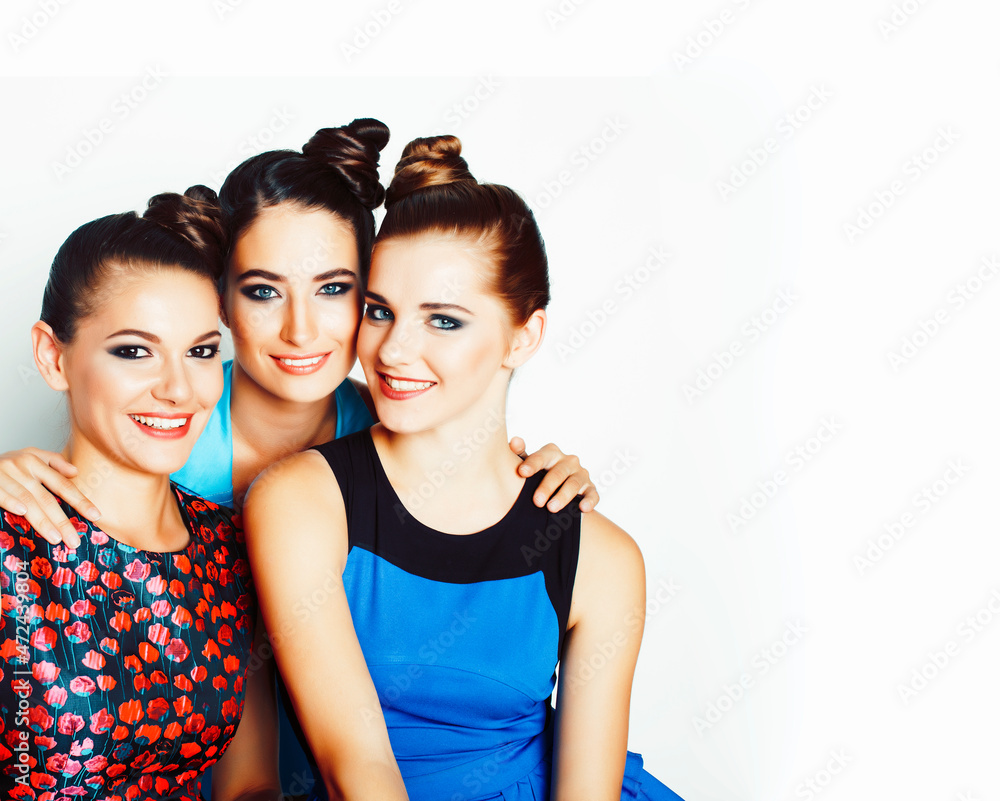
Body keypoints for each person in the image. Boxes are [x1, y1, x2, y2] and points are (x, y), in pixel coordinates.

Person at [0, 119, 600, 797]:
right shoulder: (163, 426)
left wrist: (542, 489)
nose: (301, 329)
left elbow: (481, 513)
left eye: (334, 289)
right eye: (263, 290)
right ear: (220, 300)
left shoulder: (398, 422)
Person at [244, 136, 684, 800]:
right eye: (379, 311)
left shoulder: (604, 558)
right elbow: (354, 764)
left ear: (523, 336)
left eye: (444, 321)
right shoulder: (298, 499)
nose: (394, 349)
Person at [0, 188, 280, 800]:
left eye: (201, 352)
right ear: (52, 356)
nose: (179, 389)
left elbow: (251, 786)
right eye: (134, 351)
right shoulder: (6, 540)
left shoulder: (230, 545)